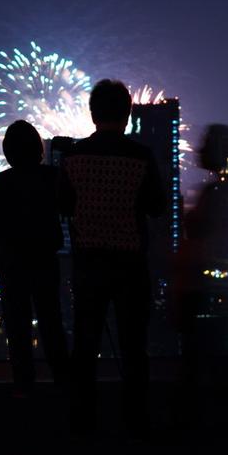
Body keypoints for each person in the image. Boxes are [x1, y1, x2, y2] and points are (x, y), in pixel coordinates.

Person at [60, 79, 165, 436]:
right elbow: (157, 206)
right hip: (130, 264)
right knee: (133, 345)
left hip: (88, 262)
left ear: (91, 113)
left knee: (85, 343)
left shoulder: (73, 158)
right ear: (128, 114)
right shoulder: (140, 157)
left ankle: (81, 418)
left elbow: (63, 206)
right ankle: (136, 419)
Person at [0, 120, 69, 395]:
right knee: (51, 323)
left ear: (8, 152)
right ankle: (63, 384)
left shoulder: (4, 180)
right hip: (44, 259)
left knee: (18, 330)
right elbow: (69, 207)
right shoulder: (52, 176)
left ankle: (24, 387)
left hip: (12, 263)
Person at [174, 124, 228, 424]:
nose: (198, 149)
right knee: (217, 363)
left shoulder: (218, 193)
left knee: (197, 362)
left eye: (206, 144)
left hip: (205, 292)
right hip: (219, 293)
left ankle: (195, 425)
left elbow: (204, 242)